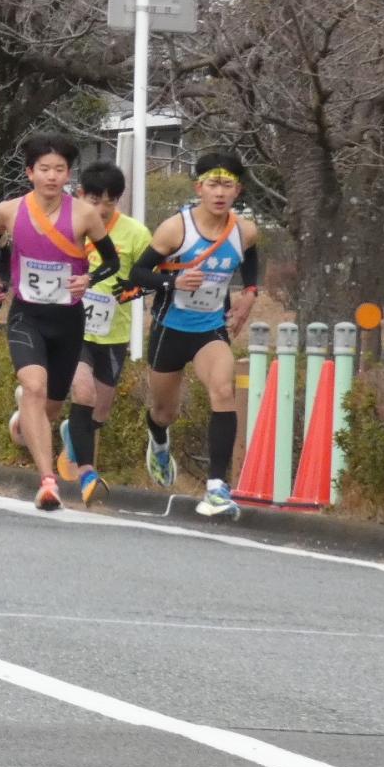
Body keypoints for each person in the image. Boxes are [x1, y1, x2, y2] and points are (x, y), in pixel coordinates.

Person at [0, 134, 123, 510]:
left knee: (49, 408)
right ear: (30, 172)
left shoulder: (84, 214)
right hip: (27, 315)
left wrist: (89, 278)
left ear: (68, 174)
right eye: (44, 169)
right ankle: (48, 481)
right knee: (34, 383)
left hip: (68, 320)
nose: (51, 176)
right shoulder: (9, 210)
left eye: (59, 169)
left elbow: (112, 262)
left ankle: (25, 420)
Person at [123, 151, 261, 518]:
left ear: (238, 190)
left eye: (227, 185)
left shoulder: (244, 230)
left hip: (210, 330)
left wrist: (249, 293)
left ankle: (216, 486)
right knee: (165, 411)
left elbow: (249, 258)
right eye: (212, 184)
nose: (219, 192)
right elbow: (138, 274)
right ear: (199, 187)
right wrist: (173, 281)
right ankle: (157, 437)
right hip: (171, 329)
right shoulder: (176, 229)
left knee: (223, 390)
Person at [55, 161, 154, 487]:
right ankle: (86, 472)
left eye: (109, 201)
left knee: (100, 409)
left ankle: (75, 430)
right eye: (94, 200)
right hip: (72, 324)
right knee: (82, 392)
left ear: (119, 200)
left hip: (112, 331)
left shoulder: (136, 233)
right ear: (80, 194)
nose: (101, 208)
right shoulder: (66, 224)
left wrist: (130, 291)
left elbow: (151, 277)